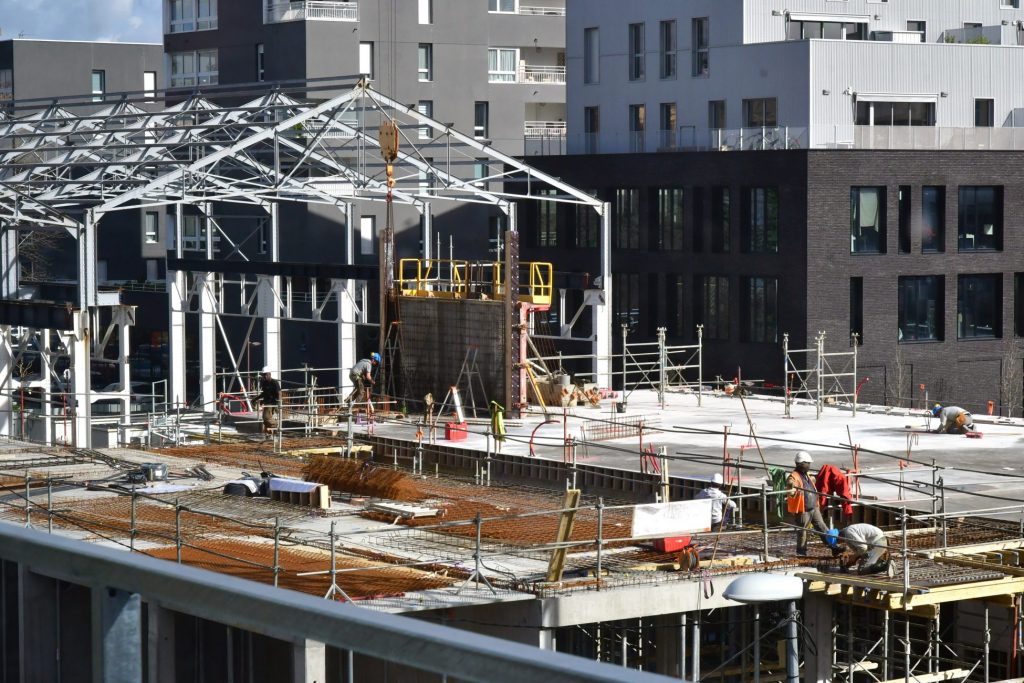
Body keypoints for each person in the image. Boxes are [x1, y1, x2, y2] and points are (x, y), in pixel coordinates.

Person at [788, 451, 831, 556]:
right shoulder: (794, 476)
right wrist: (791, 487)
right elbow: (791, 488)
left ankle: (832, 546)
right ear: (802, 463)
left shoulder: (806, 474)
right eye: (808, 463)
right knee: (803, 531)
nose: (809, 465)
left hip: (813, 506)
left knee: (822, 527)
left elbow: (812, 480)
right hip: (803, 509)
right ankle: (801, 553)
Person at [257, 366, 280, 439]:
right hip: (267, 402)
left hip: (272, 403)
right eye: (263, 375)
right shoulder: (264, 383)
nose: (263, 376)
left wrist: (278, 403)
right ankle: (270, 434)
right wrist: (256, 399)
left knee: (266, 418)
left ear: (268, 374)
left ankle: (275, 425)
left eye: (264, 375)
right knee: (265, 419)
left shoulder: (274, 382)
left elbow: (279, 393)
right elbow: (264, 393)